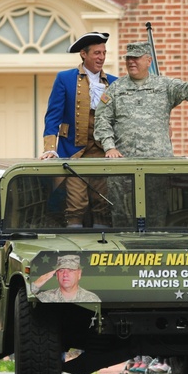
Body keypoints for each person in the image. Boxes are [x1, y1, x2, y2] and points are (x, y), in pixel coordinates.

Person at [40, 32, 117, 227]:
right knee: (76, 203)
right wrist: (50, 147)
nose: (101, 57)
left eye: (104, 53)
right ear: (83, 54)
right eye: (97, 53)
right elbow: (53, 115)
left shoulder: (114, 82)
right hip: (75, 153)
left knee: (103, 203)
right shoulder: (65, 78)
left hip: (101, 153)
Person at [94, 41, 188, 158]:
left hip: (159, 162)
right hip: (125, 162)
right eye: (128, 58)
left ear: (149, 61)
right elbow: (102, 119)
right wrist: (109, 147)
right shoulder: (115, 88)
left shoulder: (165, 85)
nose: (131, 61)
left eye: (136, 58)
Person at [30, 254, 100, 303]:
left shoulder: (91, 299)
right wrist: (35, 285)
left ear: (79, 274)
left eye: (70, 270)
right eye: (61, 270)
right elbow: (24, 312)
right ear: (57, 275)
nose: (65, 274)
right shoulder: (45, 298)